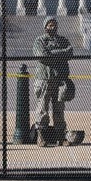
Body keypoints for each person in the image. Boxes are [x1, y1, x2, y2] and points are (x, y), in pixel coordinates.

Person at [32, 16, 73, 146]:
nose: (52, 27)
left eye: (54, 24)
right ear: (45, 27)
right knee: (42, 108)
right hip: (44, 79)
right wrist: (61, 54)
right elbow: (42, 56)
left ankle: (61, 137)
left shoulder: (63, 40)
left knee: (59, 109)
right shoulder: (39, 41)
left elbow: (70, 52)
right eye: (49, 25)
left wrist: (52, 53)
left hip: (59, 79)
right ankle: (41, 136)